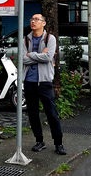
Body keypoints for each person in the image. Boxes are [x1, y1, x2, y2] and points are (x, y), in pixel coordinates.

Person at [23, 13, 66, 155]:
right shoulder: (26, 39)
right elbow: (22, 59)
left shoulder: (50, 38)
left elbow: (48, 57)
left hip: (45, 82)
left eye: (37, 19)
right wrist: (39, 55)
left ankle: (58, 143)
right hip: (29, 81)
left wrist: (31, 55)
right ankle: (39, 141)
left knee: (51, 113)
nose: (33, 21)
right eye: (32, 19)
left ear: (43, 23)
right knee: (33, 113)